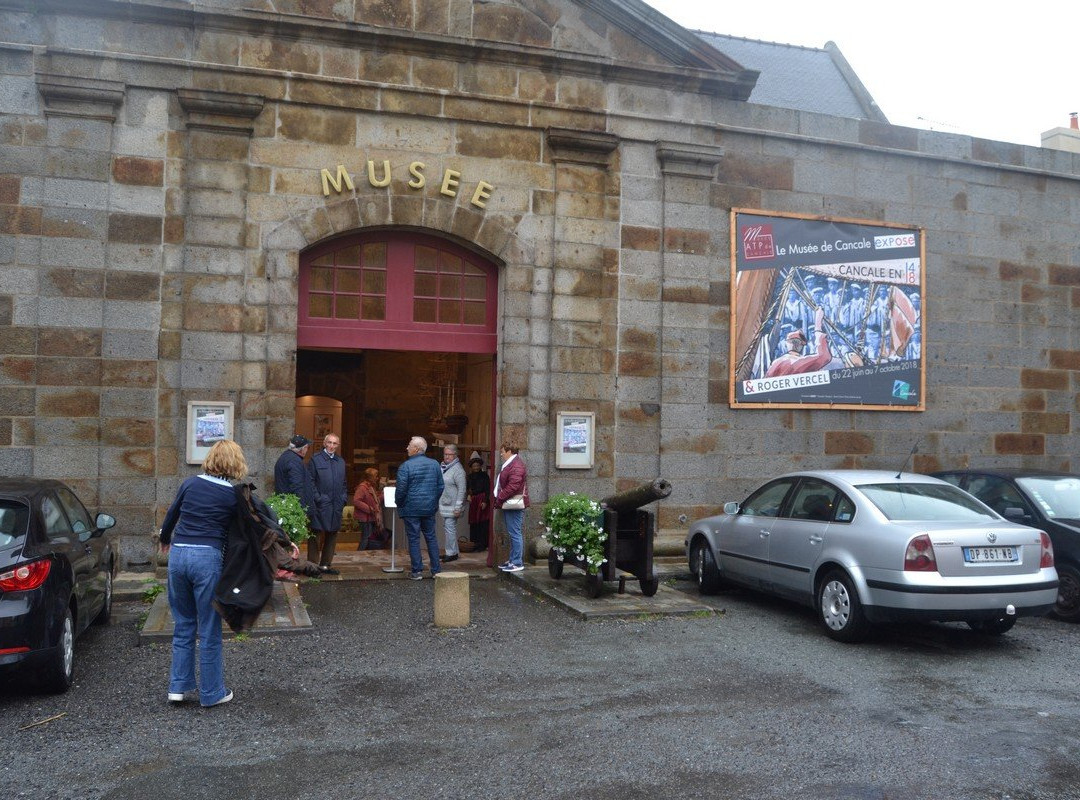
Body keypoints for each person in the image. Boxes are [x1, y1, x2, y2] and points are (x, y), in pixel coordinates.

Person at [159, 439, 247, 708]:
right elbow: (244, 533)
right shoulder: (233, 496)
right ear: (234, 463)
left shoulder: (190, 483)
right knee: (209, 627)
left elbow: (172, 515)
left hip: (178, 554)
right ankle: (211, 693)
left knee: (184, 623)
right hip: (207, 558)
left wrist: (165, 540)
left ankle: (177, 687)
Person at [395, 435, 444, 580]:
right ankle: (436, 570)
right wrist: (433, 501)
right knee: (431, 538)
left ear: (416, 449)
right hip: (428, 508)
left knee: (414, 539)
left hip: (411, 508)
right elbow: (440, 486)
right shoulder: (435, 464)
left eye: (409, 446)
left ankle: (417, 571)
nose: (407, 448)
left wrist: (400, 503)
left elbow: (401, 490)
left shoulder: (406, 466)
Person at [307, 432, 347, 575]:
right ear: (324, 443)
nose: (331, 446)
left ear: (338, 445)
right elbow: (310, 482)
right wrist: (318, 498)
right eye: (329, 442)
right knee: (315, 534)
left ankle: (325, 565)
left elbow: (343, 483)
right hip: (320, 504)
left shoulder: (340, 462)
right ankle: (312, 567)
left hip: (336, 504)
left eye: (334, 443)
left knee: (332, 534)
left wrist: (343, 499)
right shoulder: (315, 460)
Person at [765, 305, 832, 378]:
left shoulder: (777, 363)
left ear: (787, 343)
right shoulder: (802, 362)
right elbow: (824, 356)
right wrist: (818, 325)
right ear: (802, 344)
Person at [493, 442, 530, 573]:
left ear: (509, 451)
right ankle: (513, 560)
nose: (501, 454)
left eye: (503, 451)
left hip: (513, 504)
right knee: (513, 532)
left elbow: (513, 486)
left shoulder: (516, 465)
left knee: (515, 533)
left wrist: (500, 497)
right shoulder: (513, 464)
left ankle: (517, 562)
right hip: (510, 503)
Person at [273, 434, 314, 521]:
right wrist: (302, 511)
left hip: (287, 505)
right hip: (293, 509)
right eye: (307, 447)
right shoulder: (294, 461)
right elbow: (297, 487)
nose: (307, 450)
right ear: (302, 449)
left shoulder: (286, 457)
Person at [438, 444, 467, 562]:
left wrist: (458, 506)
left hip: (453, 506)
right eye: (445, 454)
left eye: (449, 454)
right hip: (445, 504)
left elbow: (462, 489)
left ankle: (452, 553)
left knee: (450, 528)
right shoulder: (444, 467)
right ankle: (452, 551)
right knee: (448, 529)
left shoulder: (458, 470)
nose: (447, 457)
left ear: (455, 455)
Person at [352, 467, 382, 551]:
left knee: (367, 539)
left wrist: (383, 494)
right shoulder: (362, 487)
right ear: (370, 477)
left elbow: (376, 500)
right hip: (365, 518)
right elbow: (356, 501)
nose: (377, 478)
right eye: (376, 476)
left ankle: (362, 555)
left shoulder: (370, 487)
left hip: (369, 518)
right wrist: (369, 509)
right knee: (366, 538)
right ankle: (359, 555)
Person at [466, 454, 492, 552]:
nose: (476, 467)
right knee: (474, 523)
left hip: (482, 500)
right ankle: (474, 544)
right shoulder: (469, 477)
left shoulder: (485, 476)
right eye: (474, 466)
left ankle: (482, 545)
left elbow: (487, 489)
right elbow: (468, 488)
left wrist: (485, 501)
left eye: (477, 465)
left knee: (483, 523)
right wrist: (469, 494)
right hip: (474, 501)